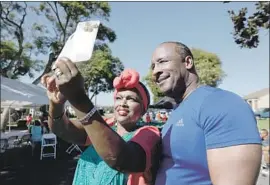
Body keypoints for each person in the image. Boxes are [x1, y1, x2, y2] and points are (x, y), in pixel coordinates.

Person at [151, 41, 262, 185]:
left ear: (188, 62)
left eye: (162, 62)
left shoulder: (221, 103)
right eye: (153, 66)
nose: (155, 72)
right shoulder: (177, 111)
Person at [41, 63, 161, 185]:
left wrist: (78, 97)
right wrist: (56, 104)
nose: (123, 103)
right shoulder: (105, 125)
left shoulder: (149, 133)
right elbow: (63, 129)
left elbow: (119, 159)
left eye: (131, 99)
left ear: (143, 109)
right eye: (118, 98)